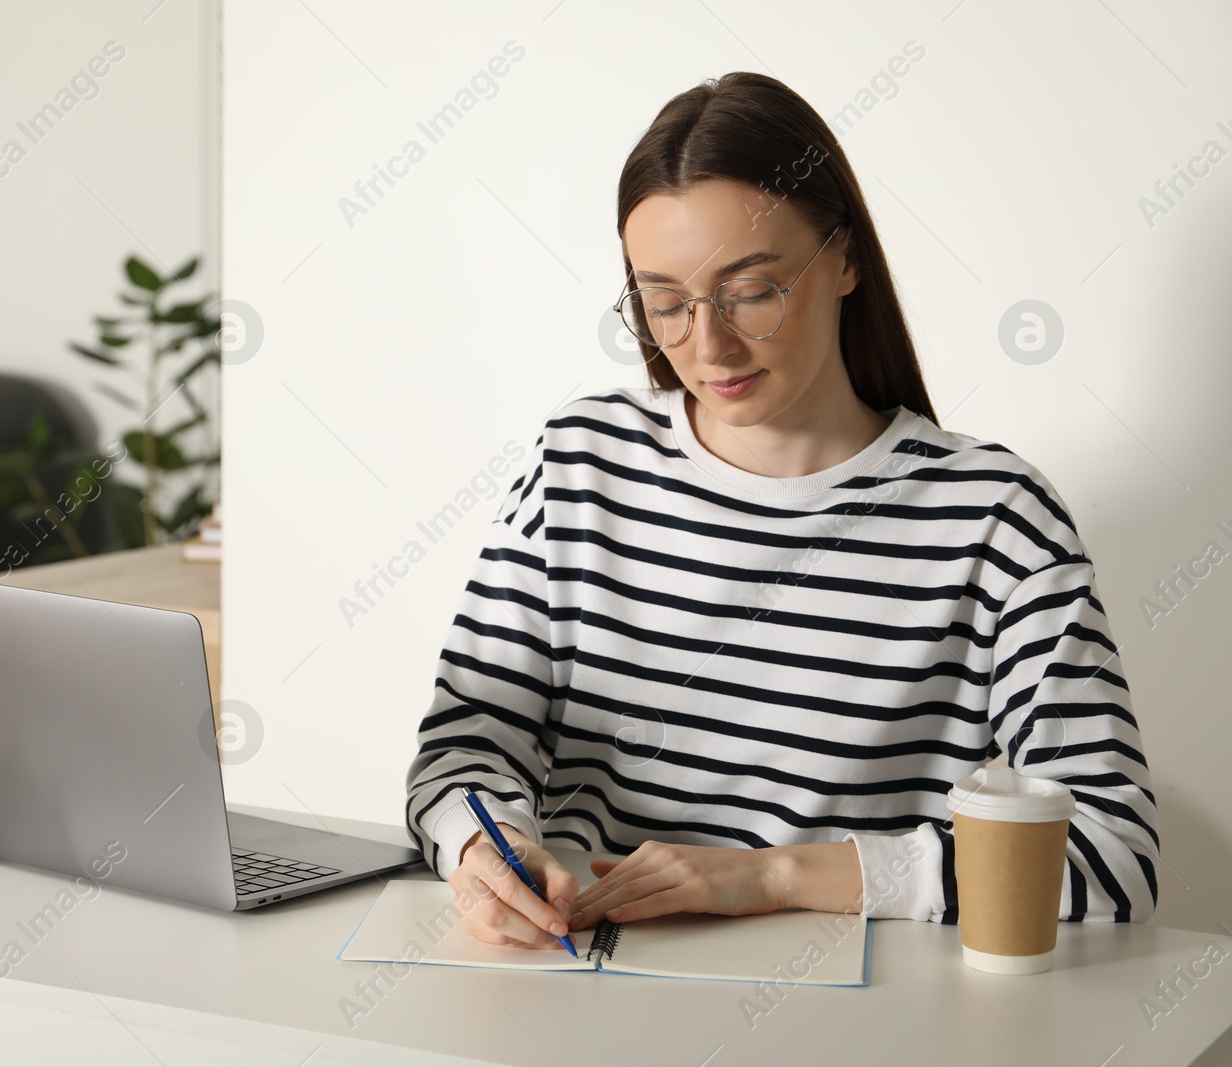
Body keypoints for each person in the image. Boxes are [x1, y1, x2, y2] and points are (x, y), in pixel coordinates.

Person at [403, 72, 1160, 950]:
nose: (707, 344)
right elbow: (465, 747)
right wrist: (485, 848)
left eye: (752, 291)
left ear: (844, 259)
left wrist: (773, 875)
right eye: (663, 304)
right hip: (574, 977)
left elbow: (1115, 854)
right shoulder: (580, 463)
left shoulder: (994, 518)